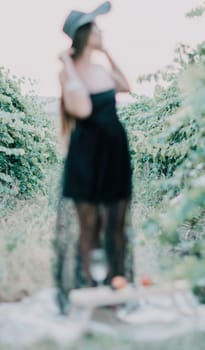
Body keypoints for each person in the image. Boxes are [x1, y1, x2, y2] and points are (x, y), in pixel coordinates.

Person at [53, 1, 135, 315]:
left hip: (113, 154)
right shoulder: (67, 72)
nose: (101, 31)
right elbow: (83, 109)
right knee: (90, 224)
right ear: (86, 33)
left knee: (116, 223)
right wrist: (68, 63)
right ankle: (90, 290)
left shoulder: (101, 68)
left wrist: (106, 53)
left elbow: (126, 85)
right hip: (86, 157)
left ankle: (116, 288)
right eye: (97, 28)